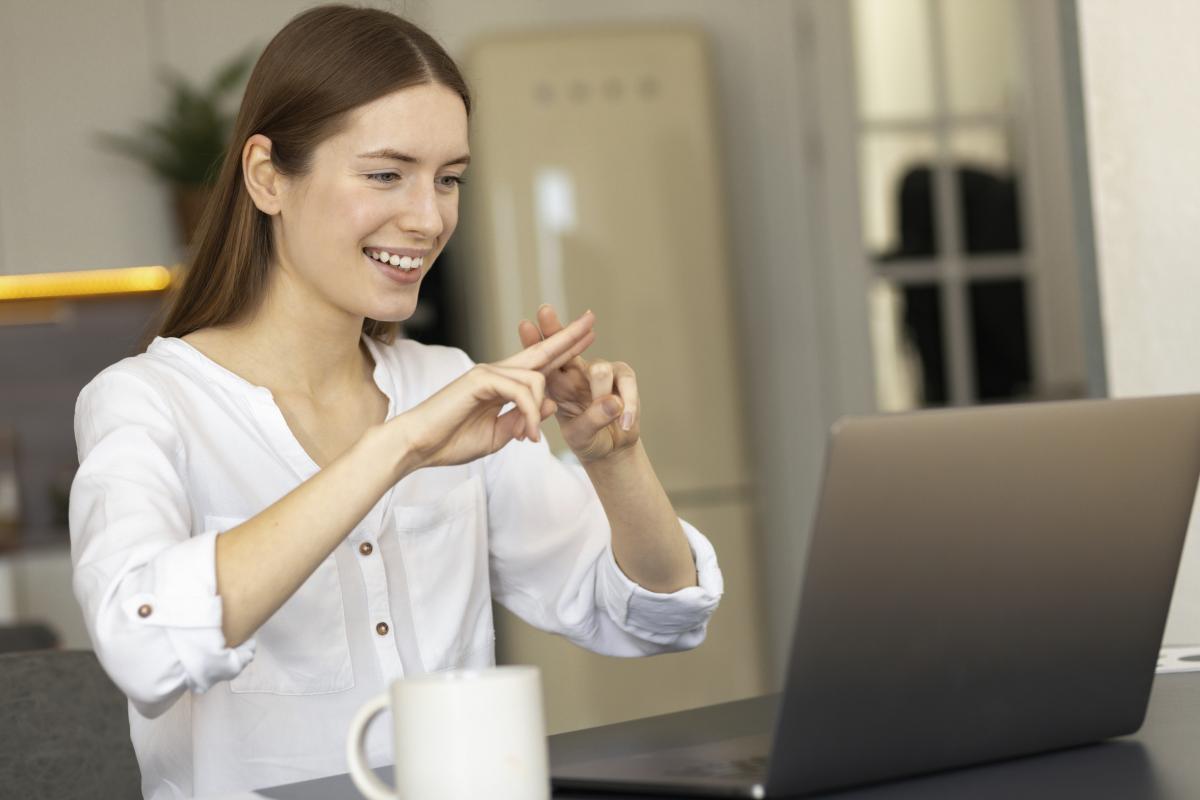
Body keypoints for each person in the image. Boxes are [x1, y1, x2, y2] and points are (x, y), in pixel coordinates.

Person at [68, 5, 724, 799]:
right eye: (386, 173)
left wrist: (613, 460)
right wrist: (395, 448)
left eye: (449, 178)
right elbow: (144, 647)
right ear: (267, 177)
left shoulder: (441, 381)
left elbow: (653, 616)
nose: (428, 216)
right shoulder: (147, 403)